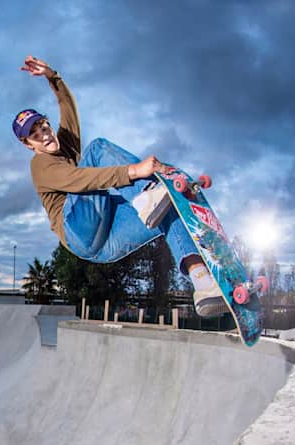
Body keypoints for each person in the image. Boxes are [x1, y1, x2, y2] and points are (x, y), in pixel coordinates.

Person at [12, 55, 228, 317]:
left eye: (44, 127)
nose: (45, 135)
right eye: (35, 135)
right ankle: (147, 194)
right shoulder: (40, 166)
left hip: (106, 245)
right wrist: (134, 171)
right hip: (76, 230)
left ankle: (202, 281)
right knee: (98, 148)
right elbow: (80, 181)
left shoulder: (65, 143)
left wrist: (52, 76)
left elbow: (68, 109)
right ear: (29, 145)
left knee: (169, 209)